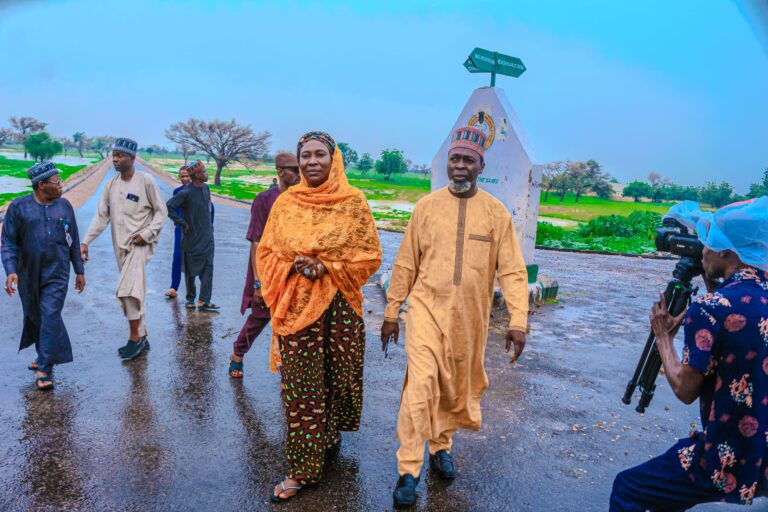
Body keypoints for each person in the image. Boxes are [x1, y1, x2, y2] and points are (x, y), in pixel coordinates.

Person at [381, 126, 529, 508]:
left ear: (481, 165)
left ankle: (441, 446)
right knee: (420, 388)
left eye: (468, 160)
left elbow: (512, 270)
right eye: (454, 159)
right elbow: (405, 263)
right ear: (447, 163)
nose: (460, 166)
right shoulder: (426, 207)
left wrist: (518, 320)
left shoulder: (496, 213)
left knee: (453, 386)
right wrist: (392, 310)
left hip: (470, 321)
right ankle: (408, 470)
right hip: (426, 312)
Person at [611, 197, 768, 511]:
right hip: (764, 455)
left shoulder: (710, 309)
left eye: (707, 243)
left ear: (726, 252)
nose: (703, 250)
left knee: (627, 487)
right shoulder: (753, 296)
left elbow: (685, 389)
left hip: (727, 458)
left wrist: (663, 338)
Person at [256, 131, 381, 502]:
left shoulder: (353, 201)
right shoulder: (286, 203)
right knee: (300, 388)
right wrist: (296, 265)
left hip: (341, 307)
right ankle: (302, 469)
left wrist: (326, 265)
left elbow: (370, 255)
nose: (311, 162)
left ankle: (326, 434)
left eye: (319, 155)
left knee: (336, 377)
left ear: (334, 158)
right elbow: (266, 253)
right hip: (297, 309)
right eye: (305, 155)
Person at [2, 162, 86, 390]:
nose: (61, 185)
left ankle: (45, 368)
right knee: (36, 315)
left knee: (50, 313)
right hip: (28, 272)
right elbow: (8, 242)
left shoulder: (65, 206)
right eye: (57, 182)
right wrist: (11, 271)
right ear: (41, 185)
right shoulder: (19, 207)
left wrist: (79, 270)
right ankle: (43, 354)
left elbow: (73, 239)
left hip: (57, 273)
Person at [81, 137, 167, 361]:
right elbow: (102, 217)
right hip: (121, 248)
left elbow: (161, 212)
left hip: (140, 245)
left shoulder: (145, 181)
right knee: (135, 290)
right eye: (114, 156)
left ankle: (134, 339)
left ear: (133, 158)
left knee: (127, 291)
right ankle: (143, 335)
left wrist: (147, 234)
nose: (115, 160)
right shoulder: (111, 185)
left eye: (120, 156)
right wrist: (85, 242)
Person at [228, 152, 301, 379]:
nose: (300, 174)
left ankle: (284, 369)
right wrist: (258, 282)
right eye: (295, 170)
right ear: (281, 171)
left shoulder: (302, 199)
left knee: (290, 322)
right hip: (267, 269)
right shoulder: (265, 199)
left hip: (292, 270)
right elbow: (256, 241)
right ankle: (237, 354)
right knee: (260, 317)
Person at [165, 160, 218, 312]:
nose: (207, 173)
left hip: (207, 237)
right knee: (190, 269)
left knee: (208, 268)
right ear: (197, 175)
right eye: (204, 171)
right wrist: (182, 223)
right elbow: (169, 207)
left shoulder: (206, 188)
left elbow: (209, 209)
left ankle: (204, 300)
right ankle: (190, 298)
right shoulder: (186, 192)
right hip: (191, 238)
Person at [165, 166, 191, 299]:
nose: (185, 178)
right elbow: (172, 209)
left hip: (197, 232)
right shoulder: (177, 191)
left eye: (187, 176)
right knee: (177, 258)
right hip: (181, 230)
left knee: (198, 261)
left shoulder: (201, 190)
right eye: (182, 176)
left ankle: (202, 295)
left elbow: (210, 210)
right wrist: (178, 222)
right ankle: (174, 287)